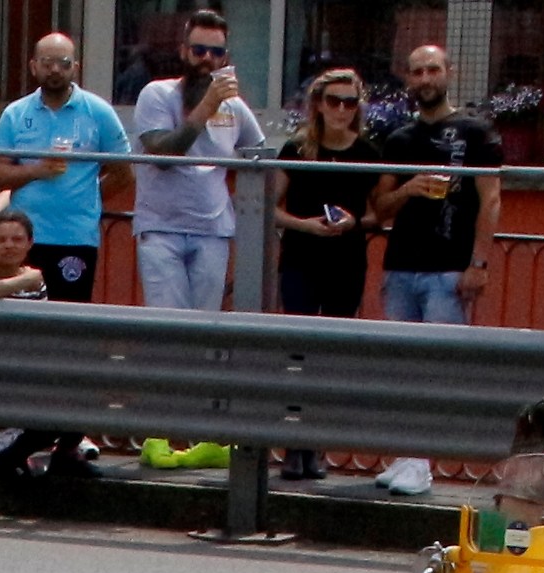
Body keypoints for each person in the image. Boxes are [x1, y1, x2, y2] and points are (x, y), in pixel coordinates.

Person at [367, 43, 502, 497]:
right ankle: (407, 457)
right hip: (401, 266)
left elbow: (492, 199)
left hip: (449, 268)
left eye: (432, 70)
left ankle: (421, 463)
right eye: (417, 71)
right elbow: (380, 208)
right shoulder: (399, 139)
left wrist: (478, 262)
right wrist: (409, 188)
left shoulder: (476, 131)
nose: (425, 78)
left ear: (450, 73)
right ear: (407, 78)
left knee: (436, 370)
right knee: (400, 371)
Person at [131, 8, 262, 470]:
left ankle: (206, 435)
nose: (207, 59)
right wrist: (206, 108)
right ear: (184, 51)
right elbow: (163, 153)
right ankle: (158, 434)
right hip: (161, 229)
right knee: (167, 334)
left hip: (213, 230)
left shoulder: (235, 107)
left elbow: (259, 156)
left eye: (217, 52)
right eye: (199, 49)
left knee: (208, 337)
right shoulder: (156, 93)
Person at [273, 67, 381, 479]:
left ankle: (314, 446)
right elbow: (269, 204)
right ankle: (292, 447)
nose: (340, 109)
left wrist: (354, 223)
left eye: (349, 102)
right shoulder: (298, 149)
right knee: (297, 350)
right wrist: (305, 225)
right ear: (318, 104)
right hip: (301, 256)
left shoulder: (369, 152)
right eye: (333, 101)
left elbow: (378, 210)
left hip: (346, 260)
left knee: (331, 355)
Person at [0, 33, 131, 304]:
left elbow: (124, 173)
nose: (55, 70)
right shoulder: (15, 113)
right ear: (33, 67)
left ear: (76, 67)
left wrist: (89, 197)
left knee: (70, 318)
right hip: (23, 238)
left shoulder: (99, 112)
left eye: (63, 63)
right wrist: (37, 171)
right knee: (20, 315)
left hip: (76, 237)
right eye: (47, 62)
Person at [0, 209, 92, 480]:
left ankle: (58, 454)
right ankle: (18, 455)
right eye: (2, 239)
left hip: (27, 364)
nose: (9, 245)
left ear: (30, 244)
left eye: (17, 240)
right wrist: (21, 281)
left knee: (85, 381)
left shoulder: (35, 280)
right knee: (61, 392)